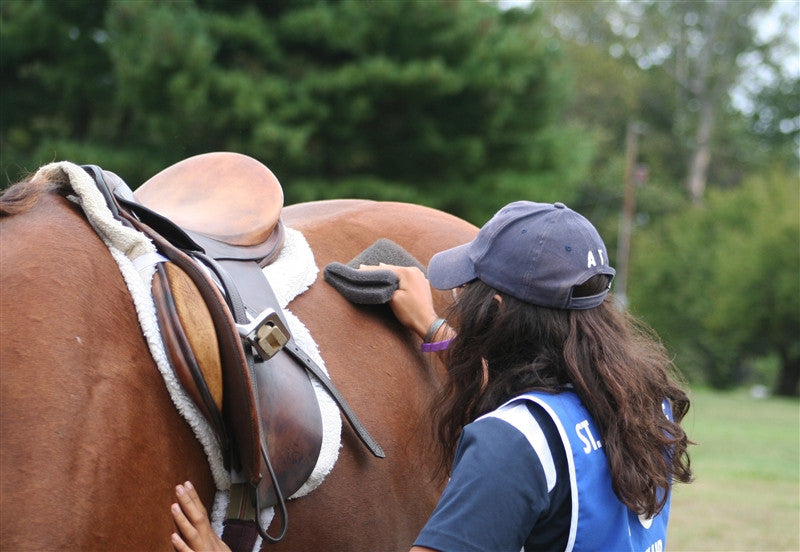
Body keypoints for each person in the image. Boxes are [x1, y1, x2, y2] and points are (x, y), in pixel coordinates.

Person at [169, 200, 693, 552]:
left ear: (501, 311)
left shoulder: (510, 446)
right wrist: (436, 328)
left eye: (470, 291)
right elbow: (551, 432)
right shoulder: (646, 409)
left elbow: (523, 451)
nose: (461, 298)